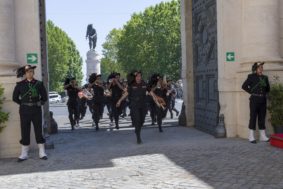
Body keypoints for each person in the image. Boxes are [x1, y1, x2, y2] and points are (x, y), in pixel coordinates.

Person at [13, 65, 48, 162]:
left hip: (36, 110)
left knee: (38, 130)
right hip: (24, 111)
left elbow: (44, 97)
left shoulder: (39, 84)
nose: (30, 73)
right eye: (28, 72)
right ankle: (24, 153)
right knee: (25, 130)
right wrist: (23, 104)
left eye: (31, 71)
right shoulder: (20, 85)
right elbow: (14, 98)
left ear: (33, 73)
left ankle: (42, 152)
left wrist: (39, 103)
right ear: (25, 73)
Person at [242, 62, 270, 143]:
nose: (261, 69)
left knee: (262, 117)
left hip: (263, 100)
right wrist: (252, 92)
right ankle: (251, 136)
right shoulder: (251, 77)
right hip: (254, 100)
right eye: (259, 67)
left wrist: (264, 94)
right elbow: (243, 86)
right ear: (255, 69)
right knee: (253, 117)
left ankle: (263, 136)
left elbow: (268, 89)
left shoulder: (265, 77)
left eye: (262, 67)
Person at [117, 71, 148, 144]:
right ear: (135, 77)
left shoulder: (144, 84)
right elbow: (126, 93)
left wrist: (157, 100)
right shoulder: (131, 85)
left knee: (142, 121)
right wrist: (119, 100)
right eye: (137, 76)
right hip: (134, 106)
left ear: (141, 77)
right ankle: (138, 137)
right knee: (137, 121)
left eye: (139, 76)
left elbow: (150, 92)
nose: (138, 77)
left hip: (143, 105)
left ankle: (137, 129)